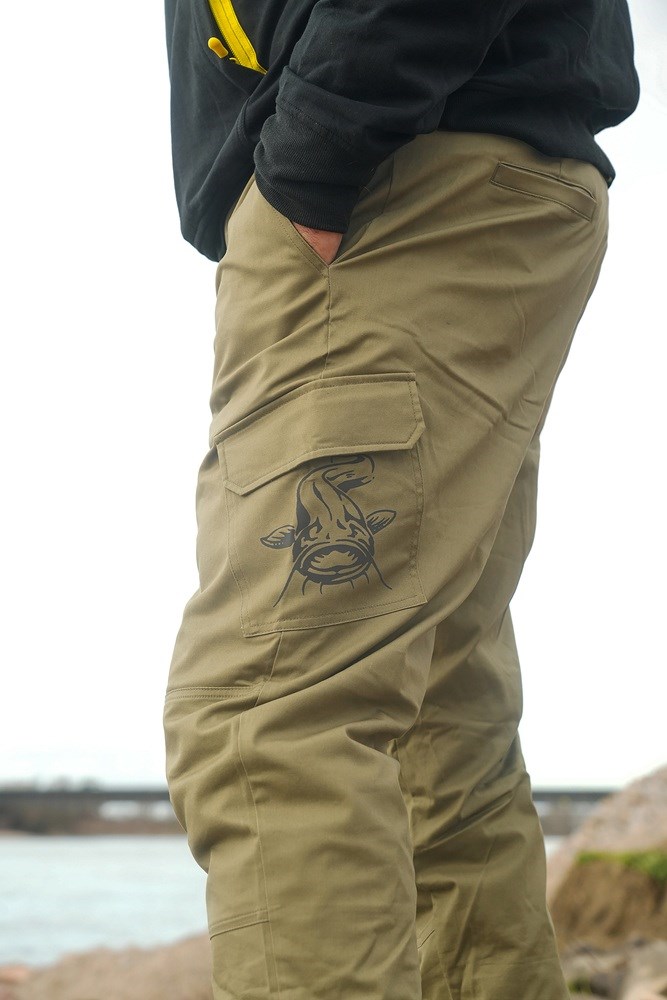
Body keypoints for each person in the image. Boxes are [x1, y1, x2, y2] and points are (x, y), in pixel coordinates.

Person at [162, 2, 639, 998]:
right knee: (435, 723)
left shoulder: (350, 153)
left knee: (273, 711)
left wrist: (317, 150)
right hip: (447, 168)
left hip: (392, 180)